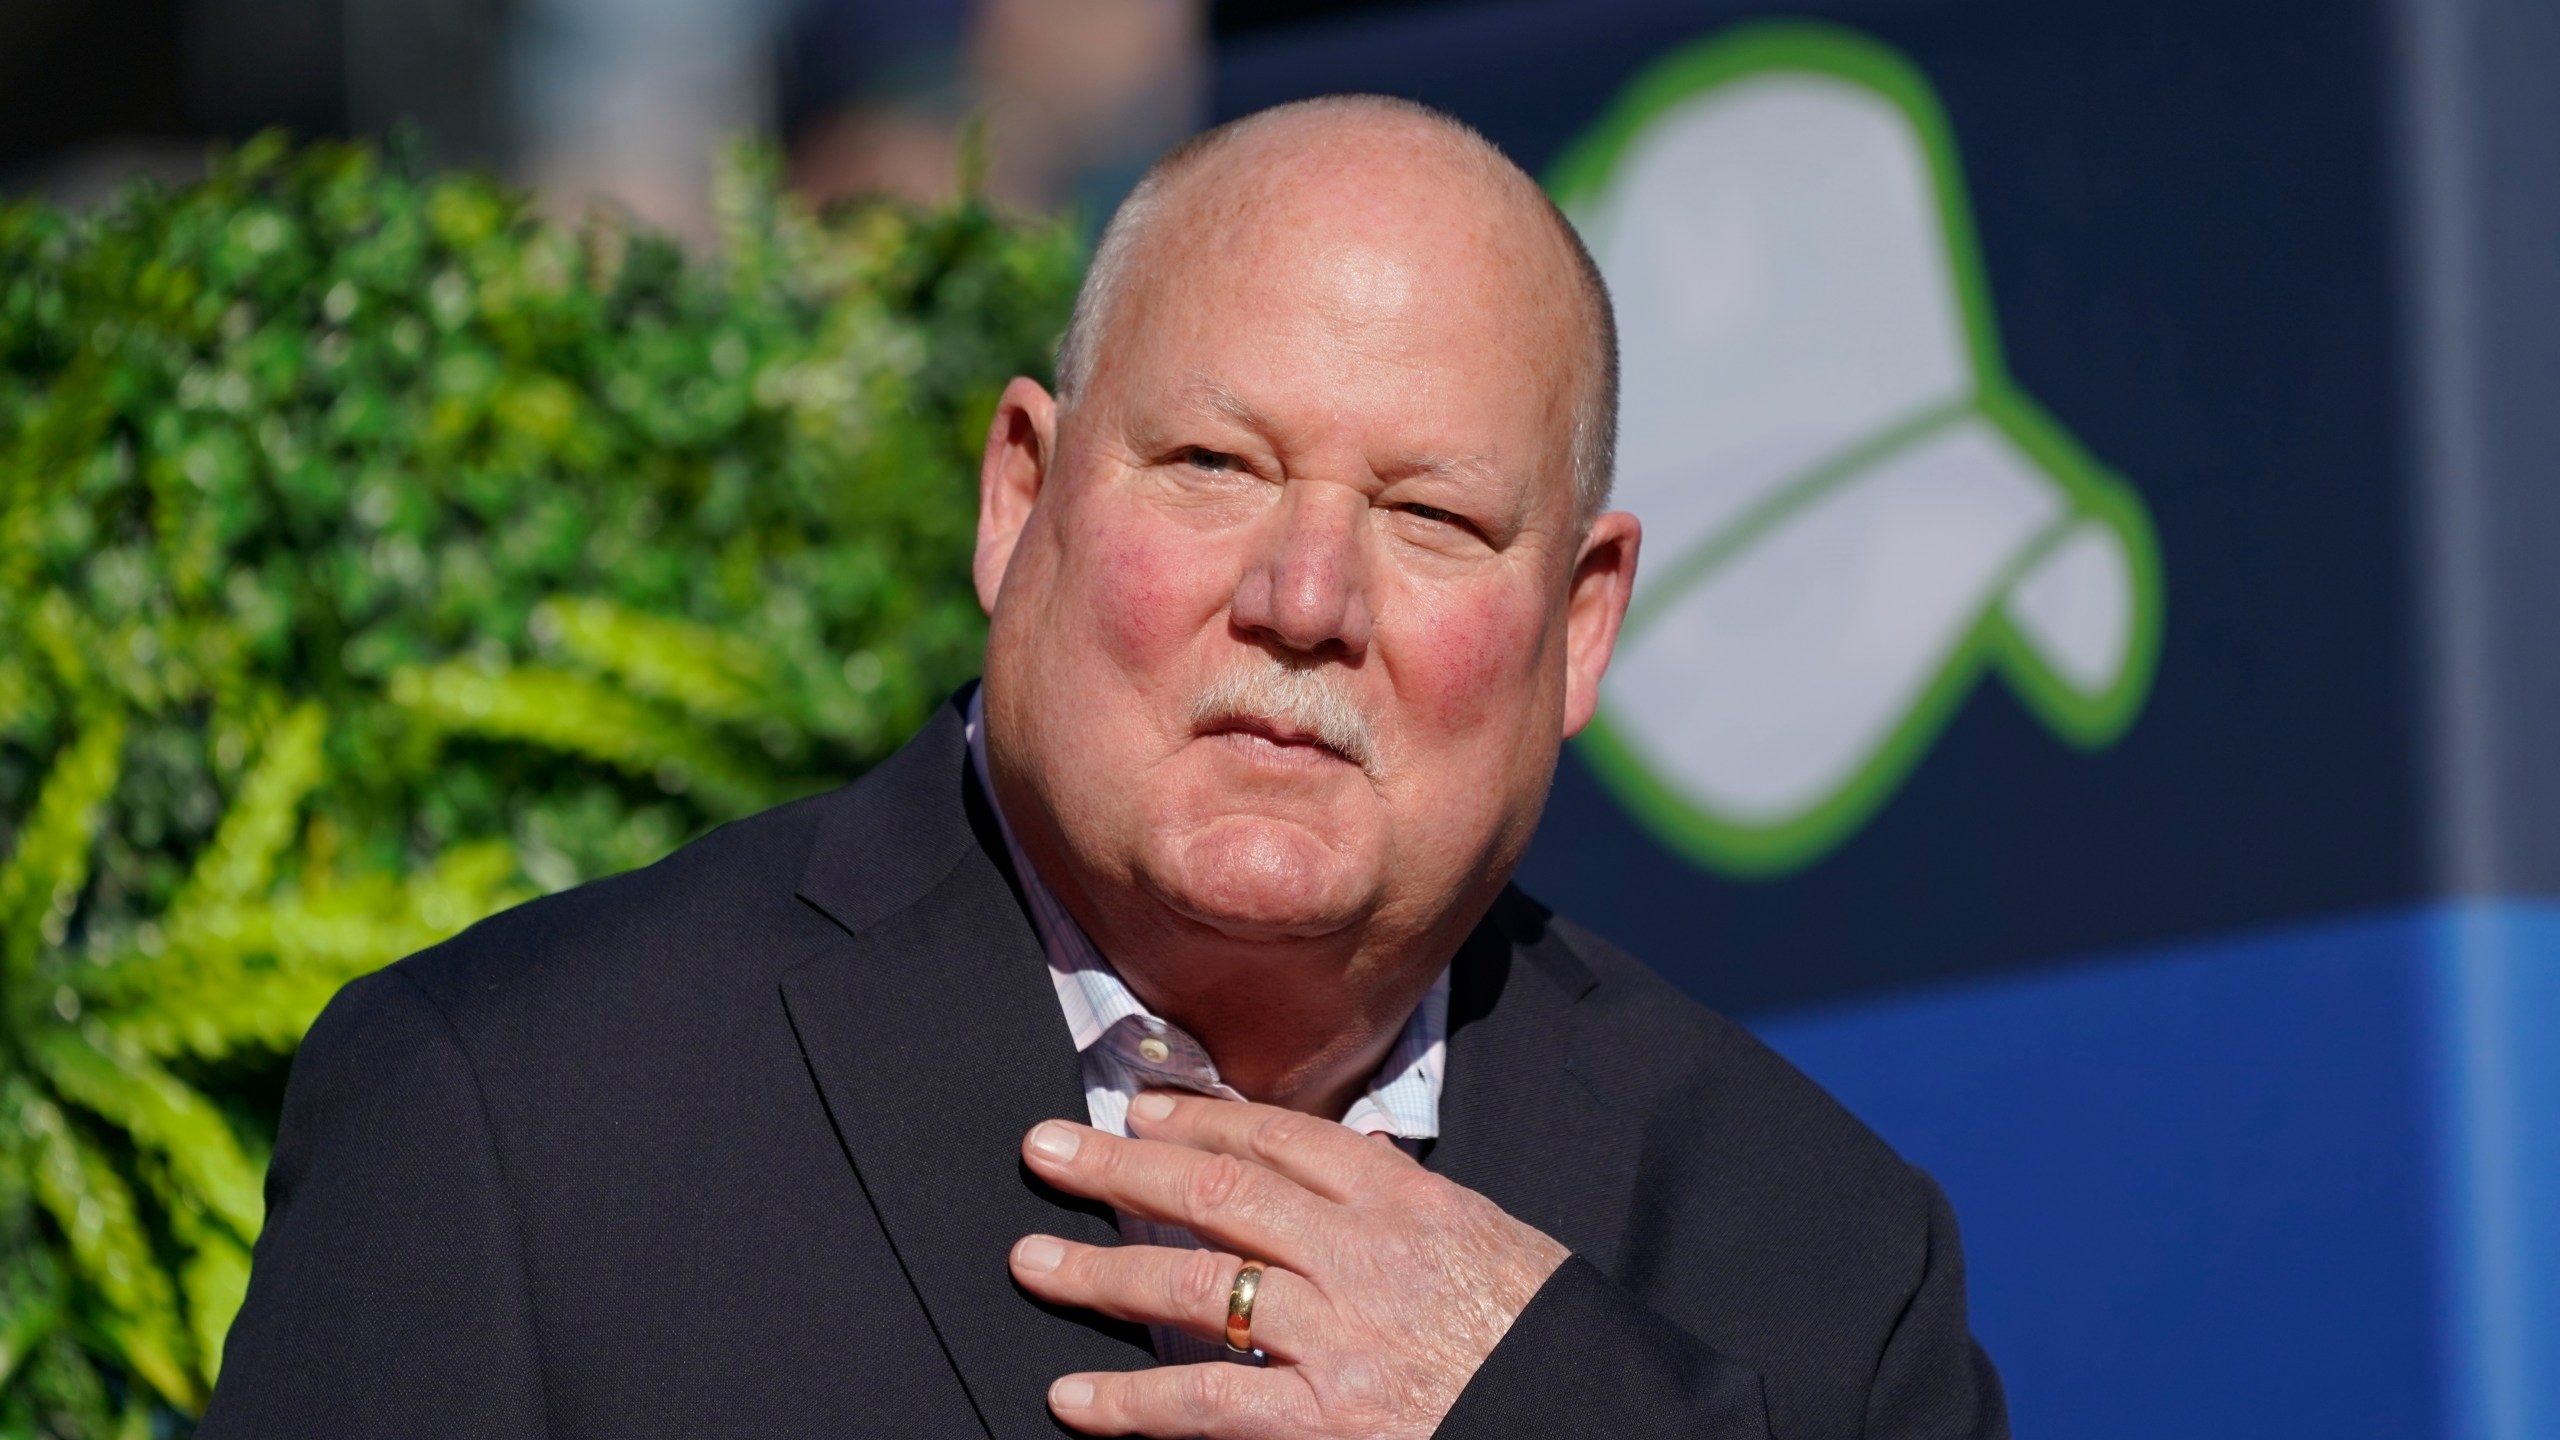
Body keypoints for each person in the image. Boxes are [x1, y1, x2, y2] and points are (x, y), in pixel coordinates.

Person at [203, 96, 2007, 1440]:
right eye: (1214, 465)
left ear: (1585, 623)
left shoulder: (1824, 1264)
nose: (1306, 600)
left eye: (1433, 515)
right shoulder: (518, 1124)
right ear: (1019, 499)